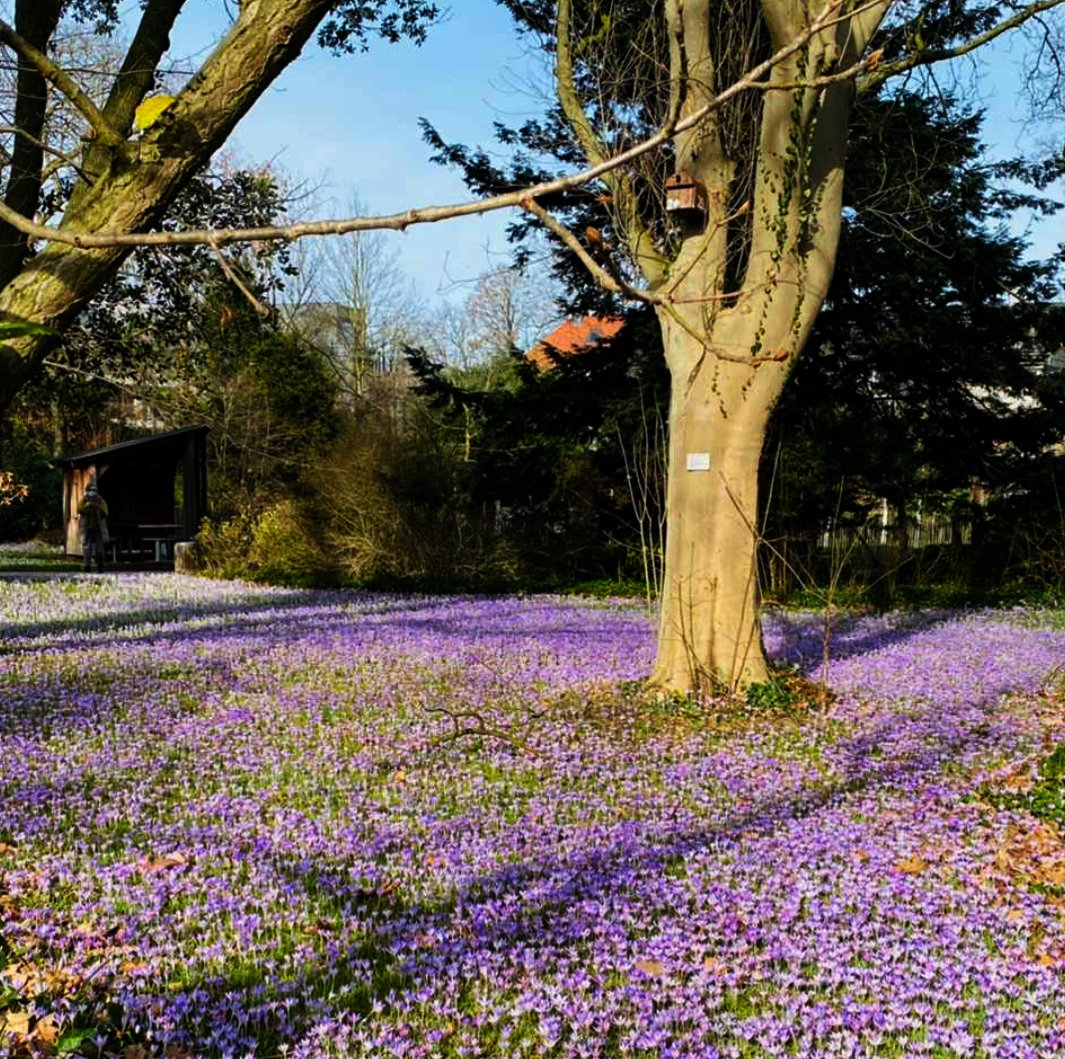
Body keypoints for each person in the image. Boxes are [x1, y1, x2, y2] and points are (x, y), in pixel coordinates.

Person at [77, 484, 109, 573]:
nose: (92, 492)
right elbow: (79, 509)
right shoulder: (84, 500)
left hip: (98, 529)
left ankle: (100, 567)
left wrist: (98, 507)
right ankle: (87, 567)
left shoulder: (100, 500)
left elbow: (106, 513)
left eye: (94, 490)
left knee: (99, 550)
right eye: (91, 490)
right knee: (87, 550)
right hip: (87, 529)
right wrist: (87, 505)